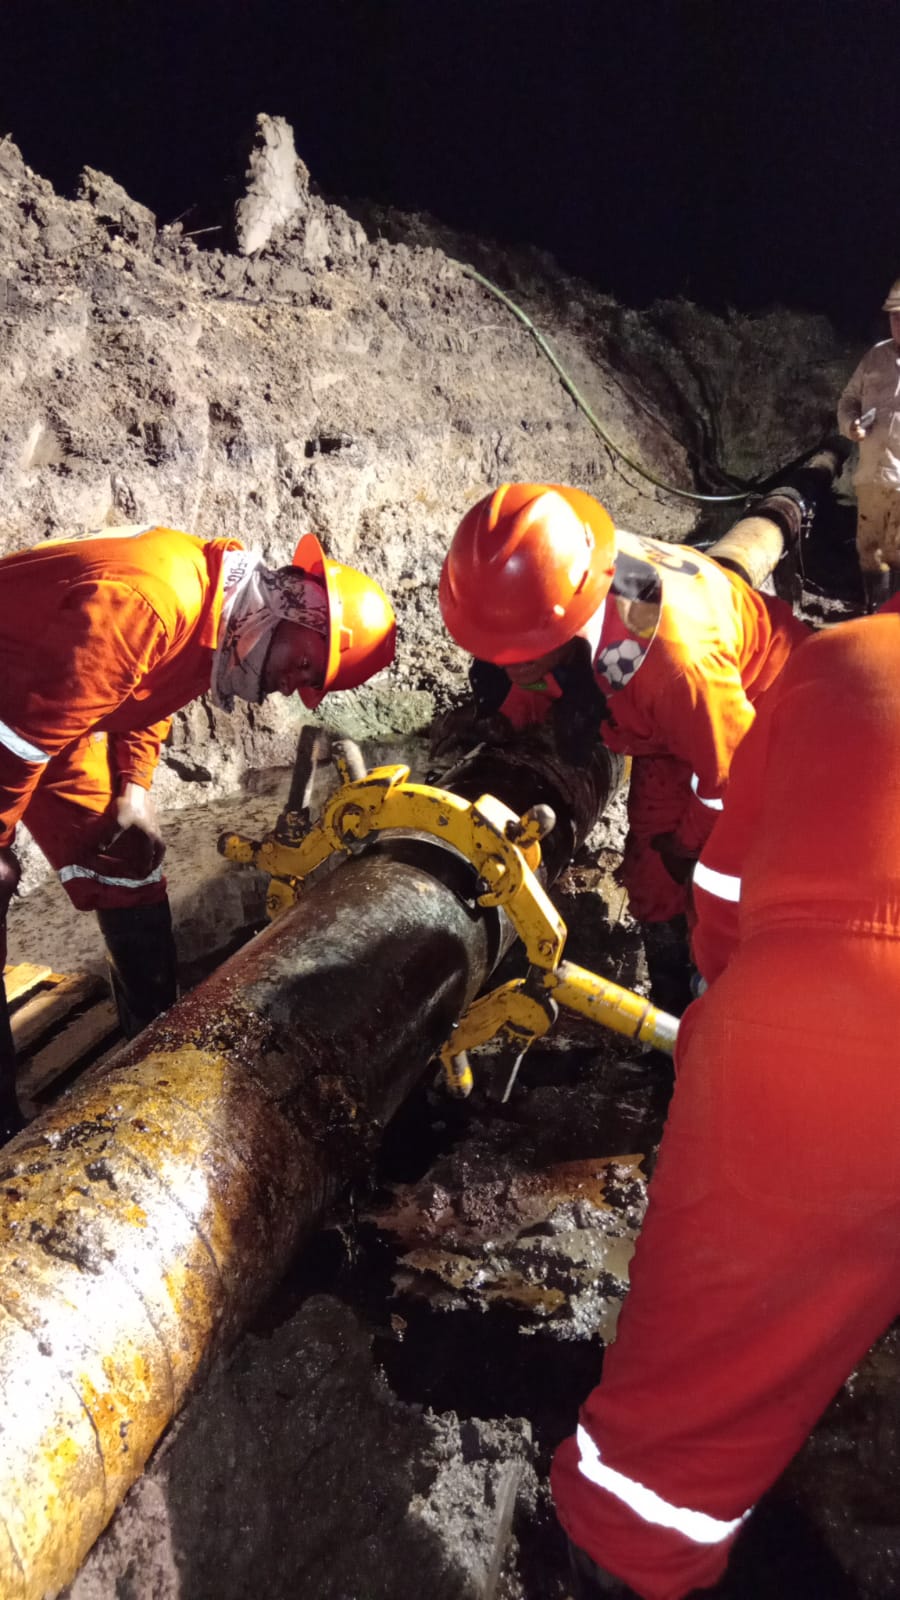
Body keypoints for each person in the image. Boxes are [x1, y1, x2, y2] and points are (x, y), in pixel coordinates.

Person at [551, 612, 900, 1599]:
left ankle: (623, 1559)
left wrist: (718, 1008)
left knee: (666, 1453)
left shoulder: (834, 655)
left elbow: (724, 866)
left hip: (825, 1039)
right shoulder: (644, 615)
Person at [0, 523, 395, 1134]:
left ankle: (148, 1058)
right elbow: (17, 746)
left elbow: (144, 691)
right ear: (297, 607)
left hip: (38, 706)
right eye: (303, 665)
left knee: (128, 860)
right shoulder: (154, 602)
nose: (290, 687)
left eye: (307, 685)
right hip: (19, 719)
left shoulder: (221, 614)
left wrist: (133, 788)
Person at [437, 482, 808, 1013]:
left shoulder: (675, 668)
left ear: (564, 619)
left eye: (517, 652)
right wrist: (507, 719)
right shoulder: (566, 572)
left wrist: (690, 844)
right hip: (675, 733)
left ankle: (722, 1010)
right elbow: (539, 663)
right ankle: (670, 1006)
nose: (504, 663)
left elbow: (733, 776)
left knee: (719, 886)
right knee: (650, 873)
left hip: (764, 718)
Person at [837, 275, 900, 612]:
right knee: (869, 551)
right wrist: (851, 425)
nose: (899, 324)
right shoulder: (875, 357)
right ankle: (873, 612)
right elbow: (848, 399)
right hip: (872, 477)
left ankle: (893, 625)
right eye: (895, 316)